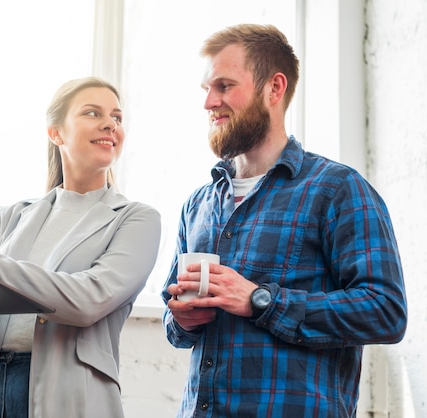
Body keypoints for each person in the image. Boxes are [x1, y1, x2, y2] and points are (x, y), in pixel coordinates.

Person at [162, 24, 407, 417]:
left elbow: (386, 311)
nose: (209, 101)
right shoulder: (199, 203)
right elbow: (174, 326)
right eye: (206, 89)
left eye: (224, 86)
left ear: (273, 89)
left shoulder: (337, 189)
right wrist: (183, 319)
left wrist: (260, 300)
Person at [0, 76, 161, 418]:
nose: (110, 124)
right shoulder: (9, 216)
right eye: (92, 112)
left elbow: (88, 300)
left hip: (72, 398)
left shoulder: (136, 219)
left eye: (116, 117)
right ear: (56, 133)